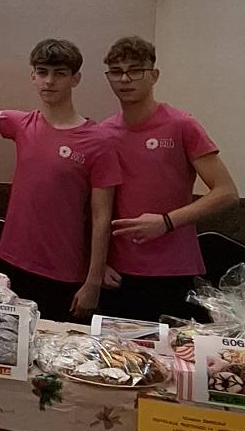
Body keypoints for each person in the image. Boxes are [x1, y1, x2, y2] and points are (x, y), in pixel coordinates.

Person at [0, 37, 120, 321]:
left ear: (75, 78)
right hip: (10, 262)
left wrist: (93, 281)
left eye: (59, 73)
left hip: (63, 272)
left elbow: (102, 218)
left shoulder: (98, 142)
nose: (49, 81)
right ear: (33, 76)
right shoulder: (22, 123)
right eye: (42, 72)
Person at [100, 36, 237, 321]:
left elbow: (226, 192)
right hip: (117, 273)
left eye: (135, 70)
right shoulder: (104, 133)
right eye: (116, 72)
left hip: (174, 271)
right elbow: (95, 206)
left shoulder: (182, 125)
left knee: (173, 350)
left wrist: (166, 222)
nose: (125, 79)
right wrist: (97, 264)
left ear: (154, 75)